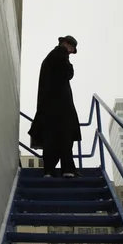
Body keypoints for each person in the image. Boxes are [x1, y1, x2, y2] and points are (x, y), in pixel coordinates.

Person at [28, 35, 82, 178]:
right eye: (71, 48)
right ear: (65, 44)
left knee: (51, 138)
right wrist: (70, 68)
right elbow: (67, 73)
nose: (70, 51)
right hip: (61, 106)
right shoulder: (60, 53)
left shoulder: (49, 58)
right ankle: (67, 169)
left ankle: (49, 170)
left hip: (48, 107)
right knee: (65, 136)